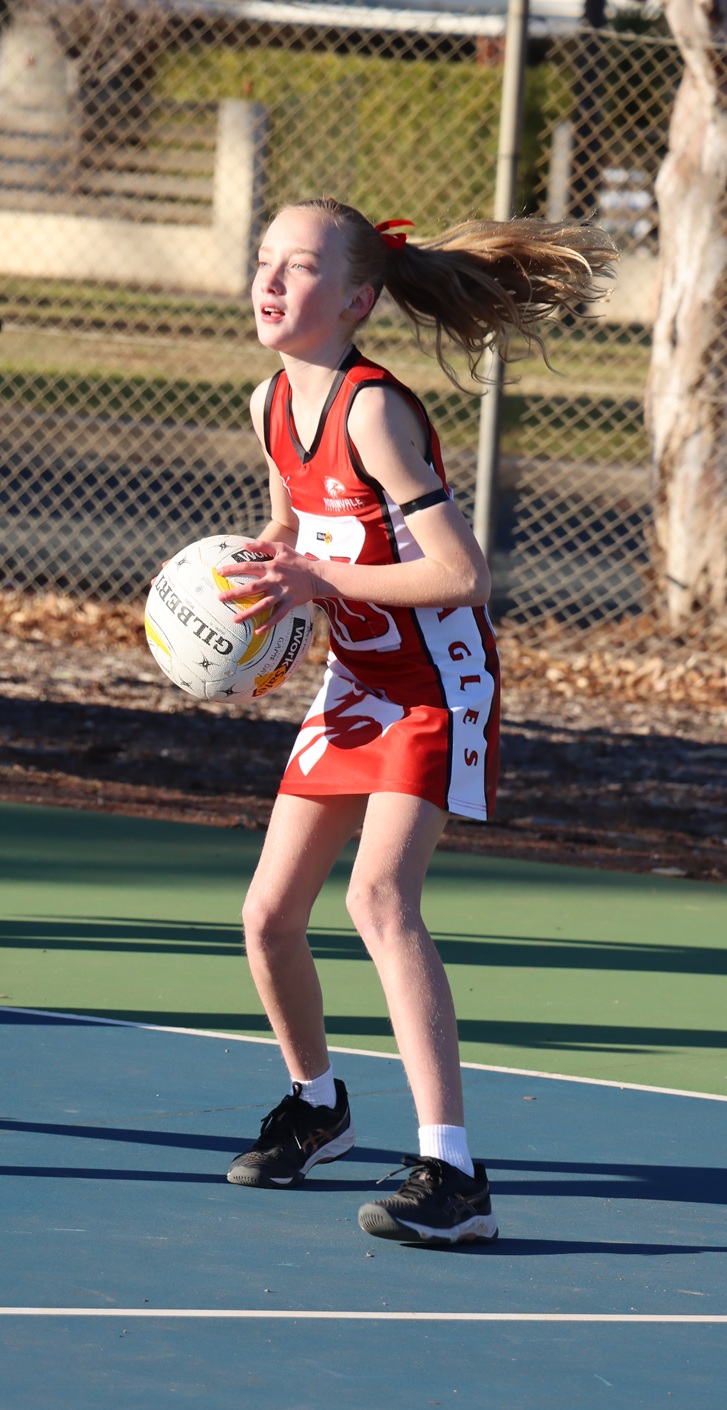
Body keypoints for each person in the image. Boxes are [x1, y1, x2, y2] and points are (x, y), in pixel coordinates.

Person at [218, 197, 616, 1244]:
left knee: (377, 897)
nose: (269, 282)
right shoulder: (271, 403)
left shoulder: (373, 413)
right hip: (355, 682)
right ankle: (317, 1105)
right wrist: (255, 583)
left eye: (298, 267)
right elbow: (291, 524)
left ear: (356, 298)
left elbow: (460, 575)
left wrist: (320, 576)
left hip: (438, 684)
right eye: (263, 260)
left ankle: (454, 1172)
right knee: (267, 916)